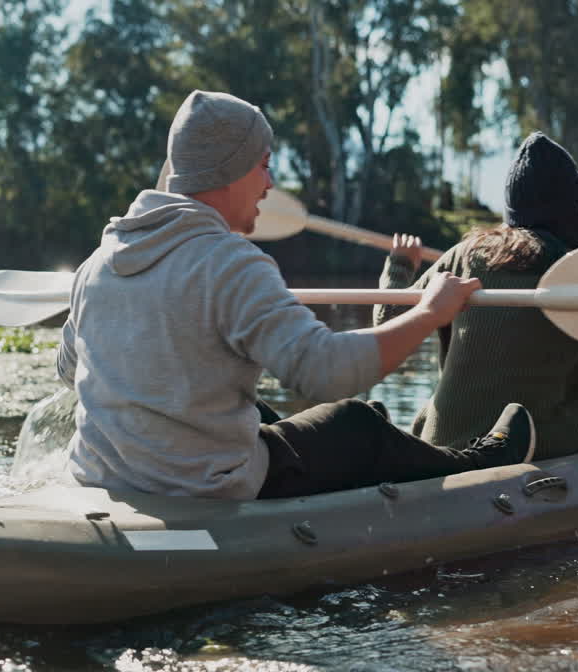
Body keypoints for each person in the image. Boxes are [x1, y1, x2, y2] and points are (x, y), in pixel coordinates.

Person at [55, 89, 535, 501]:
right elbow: (325, 373)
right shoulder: (231, 264)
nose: (269, 184)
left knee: (263, 412)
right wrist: (432, 312)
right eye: (263, 166)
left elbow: (69, 369)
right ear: (232, 169)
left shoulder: (98, 264)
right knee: (355, 423)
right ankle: (484, 462)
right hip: (207, 486)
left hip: (105, 477)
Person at [374, 131, 578, 459]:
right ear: (572, 208)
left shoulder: (465, 255)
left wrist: (400, 265)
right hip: (539, 441)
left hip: (442, 440)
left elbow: (386, 318)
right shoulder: (576, 269)